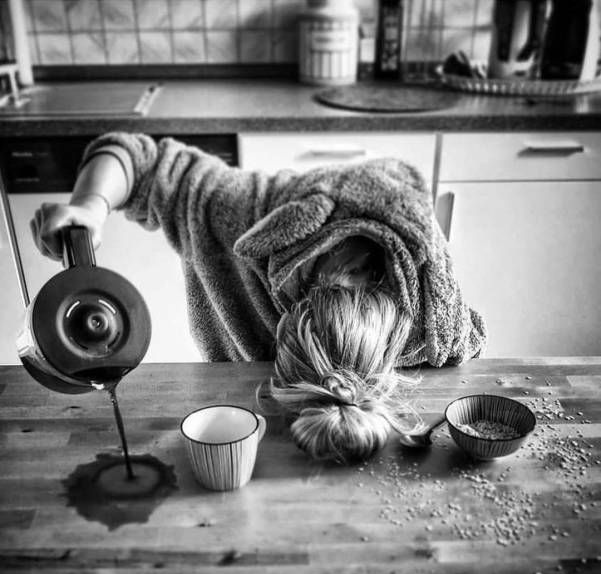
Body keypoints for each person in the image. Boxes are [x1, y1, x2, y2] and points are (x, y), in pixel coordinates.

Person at [31, 132, 487, 463]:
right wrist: (89, 206)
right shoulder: (241, 211)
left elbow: (469, 343)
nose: (357, 278)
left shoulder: (430, 313)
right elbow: (138, 158)